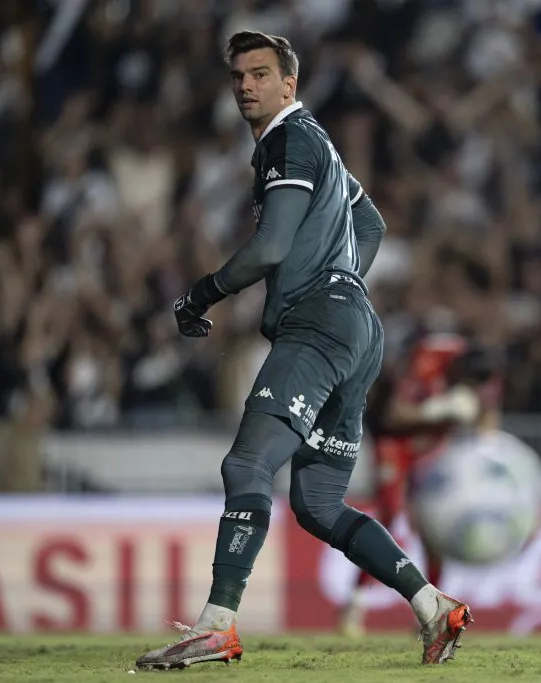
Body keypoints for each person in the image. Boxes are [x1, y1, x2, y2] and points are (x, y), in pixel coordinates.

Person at [136, 32, 471, 669]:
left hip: (319, 327)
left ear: (289, 84)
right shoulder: (317, 143)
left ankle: (216, 626)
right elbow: (369, 223)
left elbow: (269, 248)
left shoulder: (289, 140)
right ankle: (433, 607)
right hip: (357, 330)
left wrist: (199, 296)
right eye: (237, 75)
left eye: (260, 74)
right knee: (317, 505)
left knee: (247, 466)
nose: (246, 85)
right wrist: (344, 281)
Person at [338, 334, 499, 637]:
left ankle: (431, 613)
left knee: (435, 524)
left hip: (433, 447)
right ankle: (355, 604)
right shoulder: (429, 360)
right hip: (396, 443)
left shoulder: (484, 372)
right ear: (457, 369)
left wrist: (479, 427)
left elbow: (488, 420)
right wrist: (439, 409)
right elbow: (395, 414)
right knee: (388, 516)